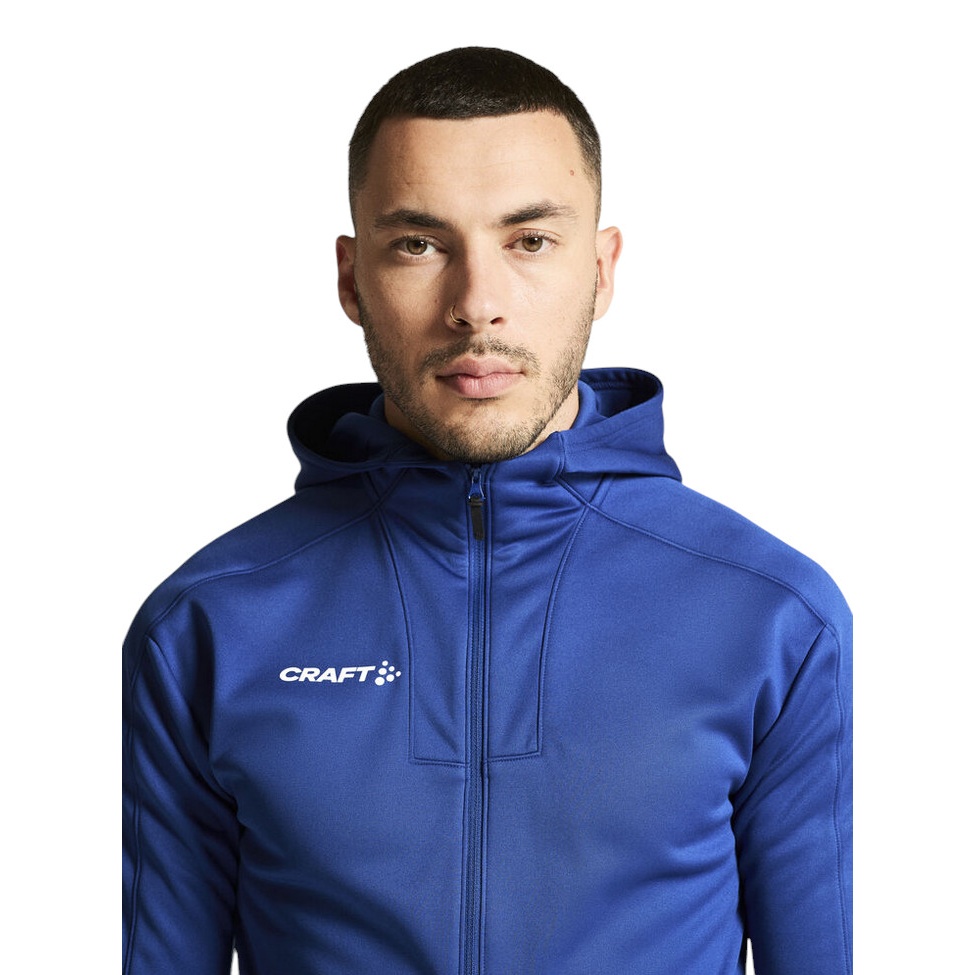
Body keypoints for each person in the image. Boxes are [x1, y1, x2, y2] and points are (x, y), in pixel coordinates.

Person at [122, 47, 852, 975]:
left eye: (529, 240)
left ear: (601, 269)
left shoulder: (771, 616)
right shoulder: (207, 623)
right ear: (351, 279)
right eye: (418, 244)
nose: (476, 305)